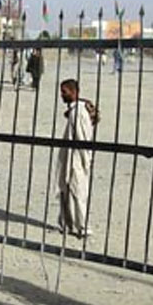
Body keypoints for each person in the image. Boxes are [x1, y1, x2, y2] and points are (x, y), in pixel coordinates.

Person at [55, 79, 99, 238]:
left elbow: (82, 138)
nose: (62, 95)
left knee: (78, 191)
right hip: (70, 157)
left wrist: (85, 160)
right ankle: (67, 223)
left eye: (64, 92)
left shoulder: (78, 112)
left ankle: (82, 226)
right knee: (66, 191)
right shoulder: (75, 110)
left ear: (74, 93)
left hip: (76, 159)